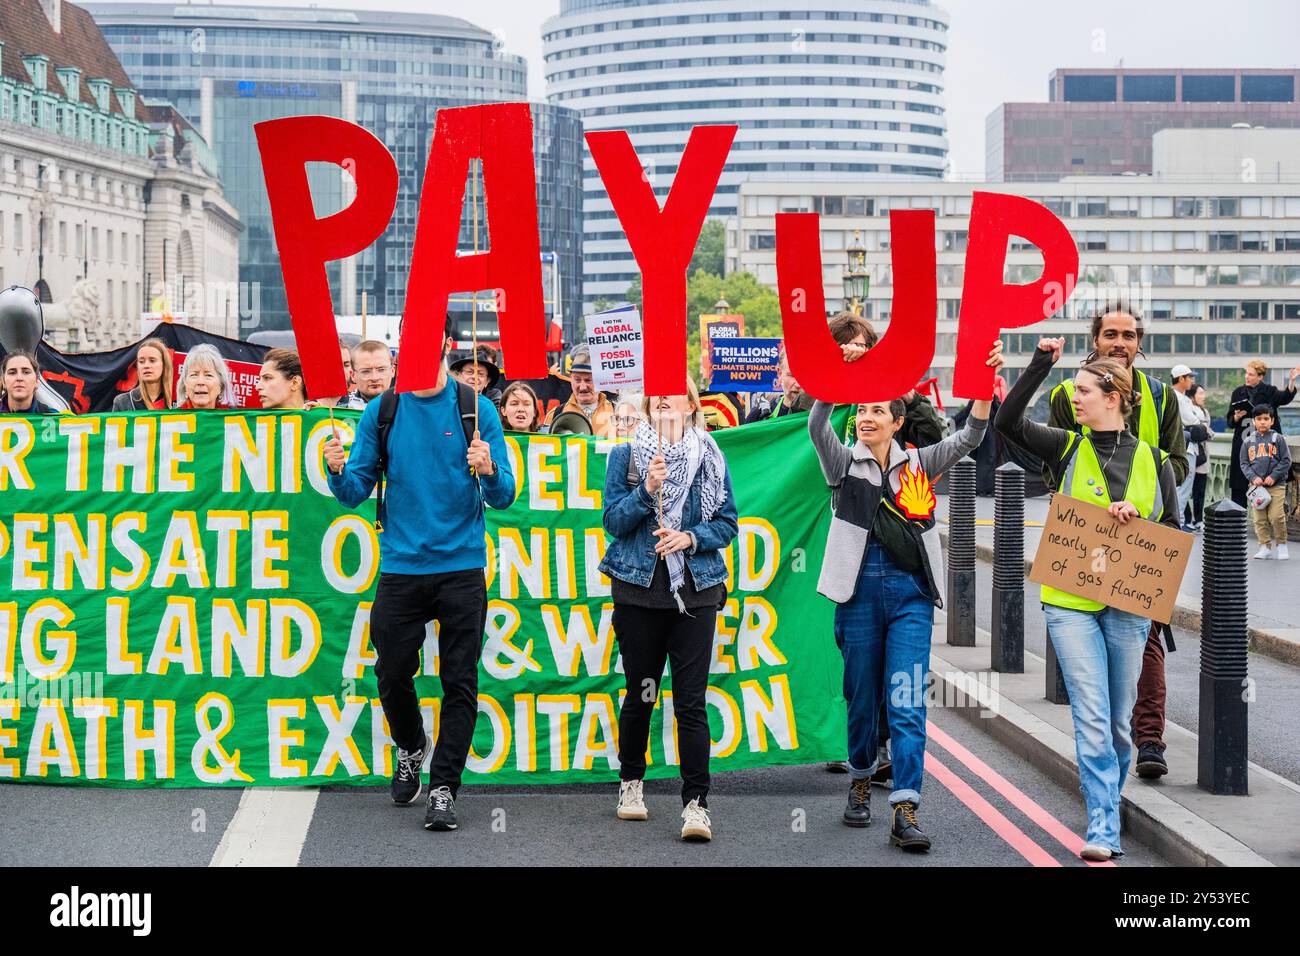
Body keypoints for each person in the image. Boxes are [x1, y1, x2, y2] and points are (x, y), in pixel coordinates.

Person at [810, 338, 1005, 851]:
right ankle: (859, 776)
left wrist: (983, 384)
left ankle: (906, 807)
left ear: (897, 421)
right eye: (862, 410)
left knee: (907, 699)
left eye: (877, 410)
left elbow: (972, 435)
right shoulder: (842, 465)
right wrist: (838, 377)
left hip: (910, 594)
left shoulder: (920, 462)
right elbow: (816, 424)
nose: (866, 417)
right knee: (862, 697)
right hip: (856, 593)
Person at [323, 314, 514, 832]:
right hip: (403, 568)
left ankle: (445, 788)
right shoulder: (383, 410)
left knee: (460, 681)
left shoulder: (477, 409)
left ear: (446, 343)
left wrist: (490, 467)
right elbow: (354, 492)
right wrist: (337, 468)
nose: (414, 346)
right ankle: (410, 745)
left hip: (462, 567)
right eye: (408, 338)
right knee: (391, 672)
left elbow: (505, 496)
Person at [998, 337, 1179, 861]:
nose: (1073, 398)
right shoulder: (1064, 445)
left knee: (1120, 722)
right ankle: (1103, 824)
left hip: (1127, 603)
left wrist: (1139, 520)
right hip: (1070, 600)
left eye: (1082, 390)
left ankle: (1108, 799)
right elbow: (1007, 423)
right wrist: (1039, 364)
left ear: (1114, 396)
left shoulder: (1155, 461)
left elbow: (1171, 529)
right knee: (1093, 715)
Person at [1047, 303, 1186, 783]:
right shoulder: (1068, 395)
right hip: (1086, 536)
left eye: (1129, 335)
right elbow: (1060, 458)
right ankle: (1109, 742)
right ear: (1096, 339)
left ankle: (1148, 739)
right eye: (1111, 334)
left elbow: (1178, 461)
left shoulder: (1164, 397)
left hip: (1139, 535)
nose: (1120, 342)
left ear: (1139, 343)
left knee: (1147, 642)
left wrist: (1143, 492)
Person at [602, 380, 738, 842]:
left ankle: (696, 804)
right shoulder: (626, 456)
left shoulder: (712, 456)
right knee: (640, 695)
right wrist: (646, 492)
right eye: (655, 392)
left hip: (695, 594)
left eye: (673, 392)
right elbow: (613, 522)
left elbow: (728, 522)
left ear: (691, 404)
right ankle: (631, 784)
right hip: (638, 593)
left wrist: (691, 539)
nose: (663, 398)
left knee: (690, 703)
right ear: (644, 404)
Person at [1229, 360, 1298, 508]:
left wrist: (1291, 381)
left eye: (1251, 374)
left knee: (1269, 493)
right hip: (1243, 445)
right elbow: (1230, 421)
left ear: (1260, 377)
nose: (1247, 377)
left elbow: (1285, 397)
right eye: (1246, 373)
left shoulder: (1269, 391)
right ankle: (1238, 527)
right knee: (1239, 490)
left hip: (1267, 448)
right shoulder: (1237, 393)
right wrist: (1236, 417)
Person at [1240, 404, 1292, 561]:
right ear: (1254, 421)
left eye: (1266, 419)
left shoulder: (1278, 439)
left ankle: (1282, 545)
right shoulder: (1248, 441)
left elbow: (1286, 460)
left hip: (1276, 486)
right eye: (1259, 419)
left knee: (1276, 516)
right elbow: (1244, 463)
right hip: (1256, 487)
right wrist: (1252, 477)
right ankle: (1264, 547)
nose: (1262, 422)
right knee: (1259, 518)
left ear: (1272, 421)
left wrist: (1274, 476)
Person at [545, 343, 615, 437]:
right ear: (571, 379)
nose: (582, 387)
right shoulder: (555, 415)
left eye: (588, 380)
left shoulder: (618, 412)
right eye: (577, 380)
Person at [1170, 365, 1202, 532]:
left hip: (1187, 446)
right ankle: (1179, 522)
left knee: (1180, 488)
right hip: (1185, 446)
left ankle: (1178, 520)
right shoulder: (1177, 397)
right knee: (1182, 488)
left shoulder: (1182, 397)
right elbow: (1193, 420)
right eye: (1189, 377)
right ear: (1181, 378)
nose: (1192, 381)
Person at [744, 347, 813, 423]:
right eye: (792, 375)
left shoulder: (824, 416)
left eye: (805, 376)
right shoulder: (759, 415)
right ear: (779, 373)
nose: (798, 384)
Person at [113, 338, 173, 410]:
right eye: (141, 361)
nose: (146, 365)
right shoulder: (122, 402)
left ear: (164, 364)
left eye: (152, 360)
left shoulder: (178, 401)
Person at [176, 344, 236, 410]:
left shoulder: (233, 418)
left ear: (221, 387)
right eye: (194, 375)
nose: (200, 382)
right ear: (184, 385)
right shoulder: (173, 419)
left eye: (208, 375)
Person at [1187, 384, 1214, 530]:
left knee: (1199, 489)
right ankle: (1188, 518)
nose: (1203, 396)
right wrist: (1205, 431)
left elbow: (1207, 432)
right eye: (1200, 393)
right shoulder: (1188, 409)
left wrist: (1206, 432)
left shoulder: (1205, 411)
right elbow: (1205, 432)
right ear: (1192, 396)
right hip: (1191, 451)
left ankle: (1198, 519)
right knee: (1186, 488)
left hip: (1202, 454)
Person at [341, 341, 395, 409]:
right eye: (366, 371)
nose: (374, 378)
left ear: (392, 371)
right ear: (353, 375)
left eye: (381, 370)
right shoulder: (340, 410)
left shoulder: (406, 407)